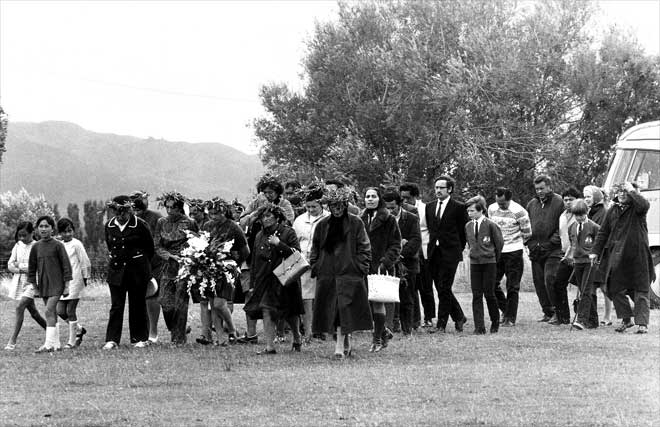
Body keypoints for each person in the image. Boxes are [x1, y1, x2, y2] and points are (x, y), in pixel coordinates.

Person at [311, 185, 372, 359]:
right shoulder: (322, 225)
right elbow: (315, 247)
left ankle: (339, 347)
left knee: (344, 309)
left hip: (349, 273)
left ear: (345, 205)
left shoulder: (355, 222)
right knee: (332, 310)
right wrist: (316, 266)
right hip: (327, 274)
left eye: (339, 206)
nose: (336, 210)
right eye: (333, 206)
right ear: (328, 207)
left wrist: (360, 266)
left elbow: (364, 246)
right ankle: (345, 343)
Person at [591, 182, 655, 334]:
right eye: (619, 191)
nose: (622, 194)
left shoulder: (638, 208)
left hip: (638, 255)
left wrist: (632, 190)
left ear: (632, 193)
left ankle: (642, 324)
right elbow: (603, 233)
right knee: (612, 287)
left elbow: (644, 204)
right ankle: (627, 319)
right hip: (617, 255)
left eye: (625, 192)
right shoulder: (612, 209)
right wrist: (595, 251)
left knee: (641, 289)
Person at [243, 203, 304, 354]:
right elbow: (255, 261)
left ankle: (297, 337)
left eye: (269, 215)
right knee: (266, 309)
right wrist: (252, 283)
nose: (265, 219)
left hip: (285, 279)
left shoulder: (288, 232)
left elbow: (297, 255)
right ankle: (270, 346)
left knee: (290, 313)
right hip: (265, 279)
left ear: (277, 217)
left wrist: (279, 244)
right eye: (263, 216)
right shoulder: (259, 235)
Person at [103, 196, 154, 349]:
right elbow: (109, 245)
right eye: (117, 213)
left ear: (130, 210)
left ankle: (139, 338)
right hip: (116, 271)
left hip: (137, 271)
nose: (120, 216)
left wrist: (140, 263)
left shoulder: (141, 225)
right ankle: (112, 339)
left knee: (137, 304)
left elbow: (149, 248)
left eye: (123, 213)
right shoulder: (109, 226)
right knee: (116, 306)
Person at [197, 198, 249, 346]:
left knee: (220, 303)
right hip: (210, 266)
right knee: (212, 302)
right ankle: (220, 337)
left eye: (217, 213)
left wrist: (234, 264)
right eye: (211, 213)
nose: (214, 217)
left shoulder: (233, 227)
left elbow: (245, 250)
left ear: (224, 212)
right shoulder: (207, 226)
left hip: (227, 267)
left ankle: (232, 330)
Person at [425, 175, 469, 333]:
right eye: (436, 187)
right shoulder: (429, 207)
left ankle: (441, 325)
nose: (438, 190)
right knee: (440, 287)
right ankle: (459, 316)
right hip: (434, 252)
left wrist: (458, 249)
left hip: (450, 253)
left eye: (441, 188)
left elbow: (463, 232)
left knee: (444, 287)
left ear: (449, 189)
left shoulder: (458, 207)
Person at [360, 187, 402, 351]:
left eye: (373, 196)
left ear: (379, 199)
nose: (370, 199)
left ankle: (376, 339)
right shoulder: (359, 218)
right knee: (365, 304)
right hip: (363, 266)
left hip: (380, 267)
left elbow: (396, 244)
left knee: (378, 302)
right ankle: (383, 331)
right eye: (367, 196)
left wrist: (385, 262)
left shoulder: (389, 219)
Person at [28, 216, 73, 353]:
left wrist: (66, 286)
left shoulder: (58, 245)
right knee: (52, 312)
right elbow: (31, 268)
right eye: (41, 226)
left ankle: (48, 344)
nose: (43, 229)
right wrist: (35, 287)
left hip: (57, 283)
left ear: (52, 229)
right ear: (37, 229)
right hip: (44, 284)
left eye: (46, 226)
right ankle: (56, 344)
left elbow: (66, 266)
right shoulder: (36, 247)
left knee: (48, 310)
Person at [488, 187, 531, 327]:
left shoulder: (519, 211)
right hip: (498, 251)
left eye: (503, 204)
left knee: (512, 285)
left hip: (514, 251)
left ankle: (510, 318)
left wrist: (516, 244)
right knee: (492, 283)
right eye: (498, 203)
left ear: (509, 199)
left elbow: (527, 233)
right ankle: (505, 310)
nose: (501, 206)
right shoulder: (492, 209)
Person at [292, 185, 329, 343]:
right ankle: (308, 330)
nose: (311, 209)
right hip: (304, 263)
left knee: (323, 296)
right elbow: (295, 241)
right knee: (306, 297)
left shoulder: (329, 218)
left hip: (324, 262)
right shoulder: (299, 220)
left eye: (314, 206)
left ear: (322, 204)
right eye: (308, 207)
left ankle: (323, 329)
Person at [525, 175, 564, 322]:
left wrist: (550, 243)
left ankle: (557, 311)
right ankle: (547, 311)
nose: (539, 191)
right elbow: (526, 226)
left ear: (549, 186)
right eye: (537, 189)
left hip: (553, 249)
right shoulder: (531, 204)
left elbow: (562, 227)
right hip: (536, 250)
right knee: (539, 282)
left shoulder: (559, 202)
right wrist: (530, 244)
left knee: (550, 279)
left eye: (542, 188)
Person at [383, 190, 421, 336]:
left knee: (407, 297)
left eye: (393, 207)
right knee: (388, 296)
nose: (390, 211)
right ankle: (389, 326)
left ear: (400, 205)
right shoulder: (382, 219)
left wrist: (399, 254)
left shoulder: (411, 218)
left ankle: (407, 328)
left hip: (407, 263)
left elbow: (415, 240)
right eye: (387, 208)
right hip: (387, 262)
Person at [5, 222, 46, 351]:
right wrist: (22, 268)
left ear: (32, 233)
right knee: (34, 313)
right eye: (20, 235)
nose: (22, 238)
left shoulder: (37, 246)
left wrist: (20, 266)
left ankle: (12, 341)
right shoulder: (18, 245)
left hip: (33, 282)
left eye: (25, 235)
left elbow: (37, 268)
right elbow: (10, 265)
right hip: (20, 282)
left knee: (20, 306)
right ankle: (51, 331)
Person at [465, 197, 504, 334]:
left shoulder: (491, 225)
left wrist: (492, 258)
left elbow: (499, 244)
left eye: (472, 211)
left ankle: (495, 322)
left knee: (489, 293)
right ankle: (479, 327)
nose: (469, 214)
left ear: (481, 210)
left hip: (489, 263)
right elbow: (470, 244)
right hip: (475, 263)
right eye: (468, 211)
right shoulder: (468, 226)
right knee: (476, 295)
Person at [130, 191, 164, 343]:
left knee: (153, 296)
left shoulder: (156, 217)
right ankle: (141, 332)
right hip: (135, 263)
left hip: (155, 262)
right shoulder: (128, 219)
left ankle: (153, 332)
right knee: (140, 298)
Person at [400, 182, 435, 329]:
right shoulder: (402, 210)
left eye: (407, 198)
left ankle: (429, 317)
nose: (405, 201)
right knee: (412, 288)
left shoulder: (425, 209)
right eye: (402, 198)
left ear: (415, 196)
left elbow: (431, 230)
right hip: (410, 252)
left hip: (425, 251)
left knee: (426, 288)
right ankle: (414, 319)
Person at [565, 199, 601, 330]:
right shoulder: (571, 227)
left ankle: (582, 319)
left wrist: (595, 255)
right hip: (578, 262)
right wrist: (569, 256)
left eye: (582, 215)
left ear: (587, 212)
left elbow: (601, 243)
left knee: (586, 290)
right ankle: (593, 320)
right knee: (583, 290)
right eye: (577, 215)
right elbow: (572, 243)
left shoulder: (594, 227)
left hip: (590, 262)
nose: (579, 218)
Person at [56, 218, 91, 348]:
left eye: (70, 231)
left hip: (75, 280)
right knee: (59, 310)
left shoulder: (77, 244)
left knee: (70, 310)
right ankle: (80, 329)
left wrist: (85, 277)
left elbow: (85, 261)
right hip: (63, 282)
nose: (68, 234)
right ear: (60, 233)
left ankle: (71, 341)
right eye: (64, 232)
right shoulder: (59, 245)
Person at [548, 187, 580, 325]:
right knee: (558, 283)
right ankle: (563, 316)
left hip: (579, 256)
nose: (567, 202)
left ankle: (586, 317)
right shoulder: (562, 216)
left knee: (583, 286)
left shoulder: (581, 215)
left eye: (570, 200)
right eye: (565, 200)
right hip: (566, 255)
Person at [583, 185, 613, 326]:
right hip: (592, 252)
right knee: (594, 284)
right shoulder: (590, 211)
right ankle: (592, 315)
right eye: (585, 197)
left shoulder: (603, 212)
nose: (586, 199)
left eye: (588, 196)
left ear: (595, 197)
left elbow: (602, 234)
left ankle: (607, 316)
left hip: (602, 253)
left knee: (603, 285)